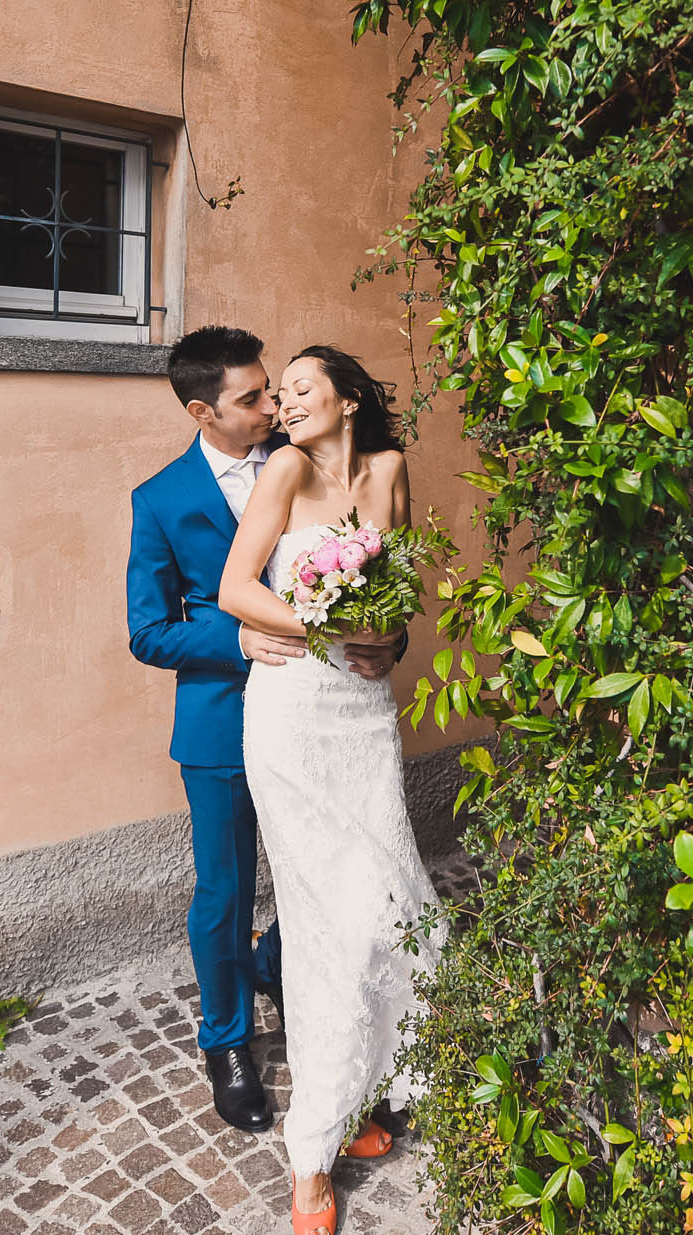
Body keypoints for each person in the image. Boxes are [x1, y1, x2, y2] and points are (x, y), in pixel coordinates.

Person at [126, 327, 399, 1135]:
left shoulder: (307, 455)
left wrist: (386, 636)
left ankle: (286, 971)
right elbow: (147, 632)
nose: (273, 405)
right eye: (253, 398)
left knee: (339, 865)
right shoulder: (160, 499)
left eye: (272, 388)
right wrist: (236, 638)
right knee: (225, 890)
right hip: (218, 723)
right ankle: (228, 1042)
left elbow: (375, 565)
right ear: (203, 411)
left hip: (321, 707)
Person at [218, 346, 442, 1235]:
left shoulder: (389, 469)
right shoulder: (283, 467)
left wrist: (388, 638)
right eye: (282, 394)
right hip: (292, 712)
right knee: (320, 920)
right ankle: (310, 1156)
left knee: (385, 903)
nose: (286, 401)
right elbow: (237, 587)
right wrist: (324, 619)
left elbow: (402, 589)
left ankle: (356, 1099)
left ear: (349, 399)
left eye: (303, 388)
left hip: (363, 713)